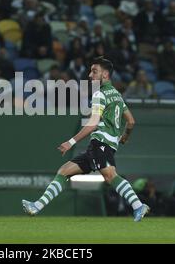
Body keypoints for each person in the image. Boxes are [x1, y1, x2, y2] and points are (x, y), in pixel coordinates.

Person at [22, 57, 150, 222]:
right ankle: (36, 207)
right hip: (104, 145)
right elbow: (131, 121)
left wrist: (71, 142)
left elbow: (92, 124)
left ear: (105, 74)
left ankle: (138, 206)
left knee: (110, 176)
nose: (90, 75)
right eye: (90, 71)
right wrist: (124, 136)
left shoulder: (99, 94)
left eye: (94, 71)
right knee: (64, 171)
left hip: (100, 143)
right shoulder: (117, 95)